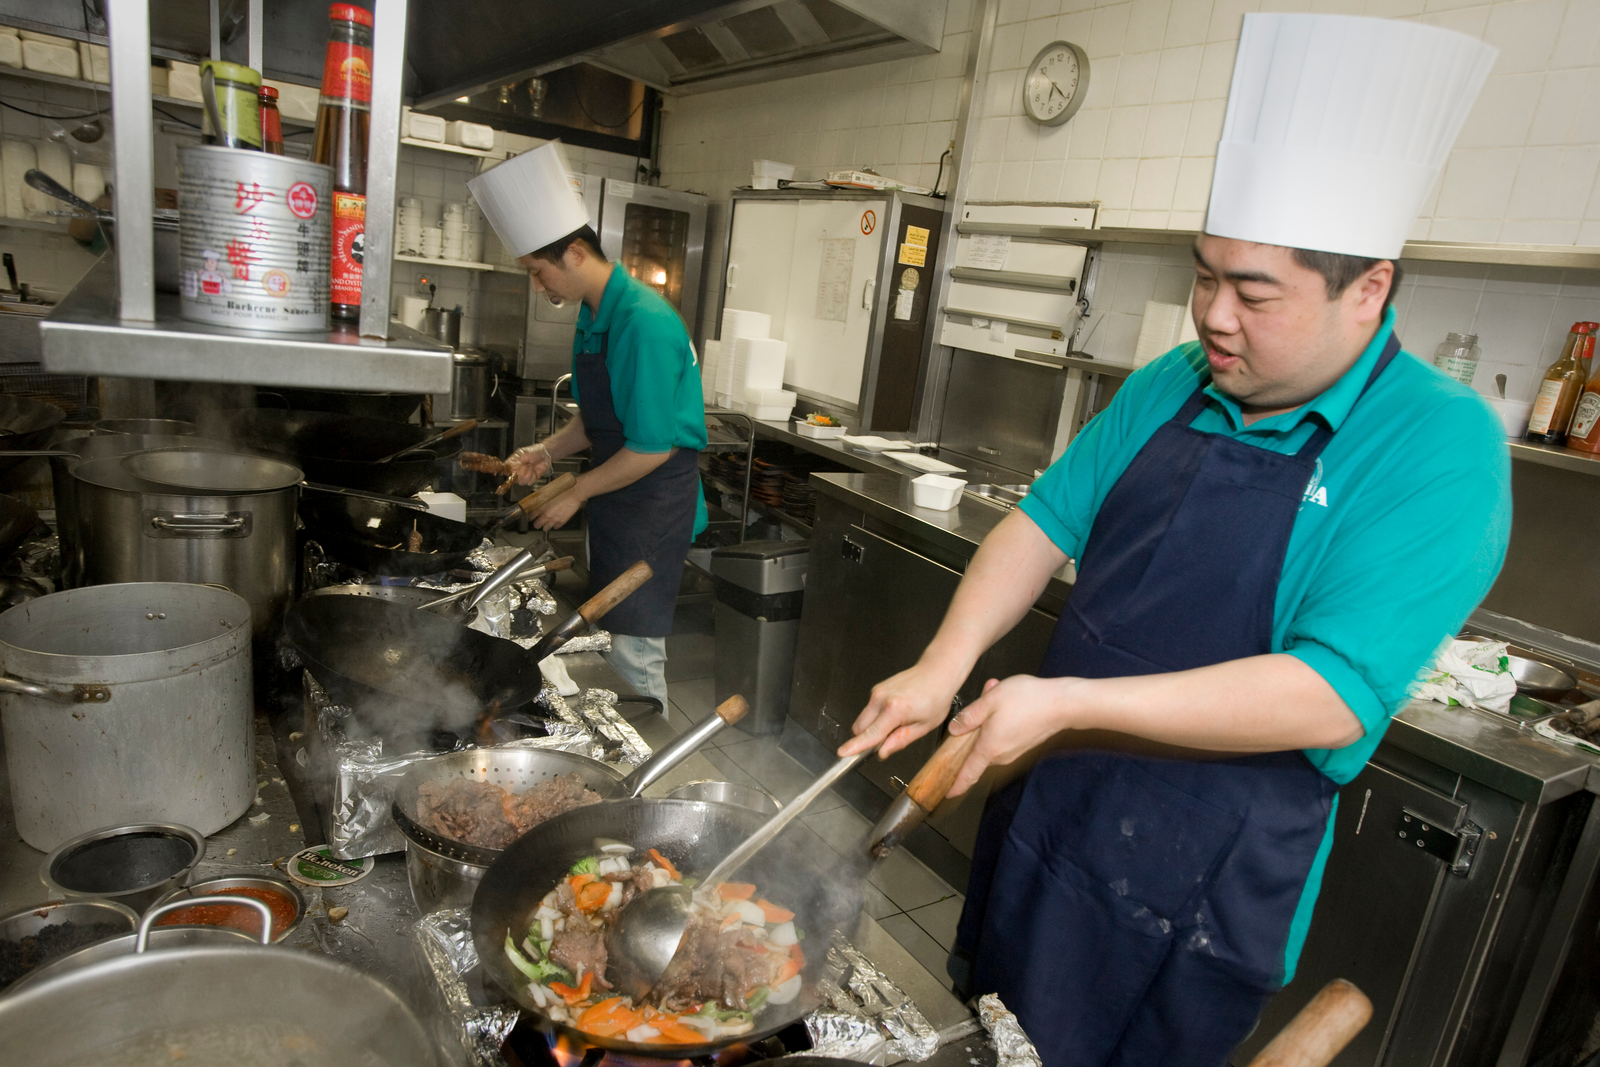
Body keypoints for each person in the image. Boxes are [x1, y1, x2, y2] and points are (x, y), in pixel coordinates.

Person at [840, 15, 1507, 1067]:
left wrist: (1064, 704)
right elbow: (1038, 523)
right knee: (995, 1034)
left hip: (1201, 874)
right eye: (1204, 274)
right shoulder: (1172, 383)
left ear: (1368, 289)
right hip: (1055, 811)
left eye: (1254, 292)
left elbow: (1328, 690)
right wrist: (944, 661)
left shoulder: (1438, 441)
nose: (1213, 315)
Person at [468, 144, 706, 711]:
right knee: (610, 630)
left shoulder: (643, 323)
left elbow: (649, 447)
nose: (537, 285)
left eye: (538, 271)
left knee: (634, 648)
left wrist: (577, 492)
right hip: (618, 492)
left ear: (574, 252)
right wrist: (548, 453)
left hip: (651, 498)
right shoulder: (595, 313)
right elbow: (599, 419)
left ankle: (645, 758)